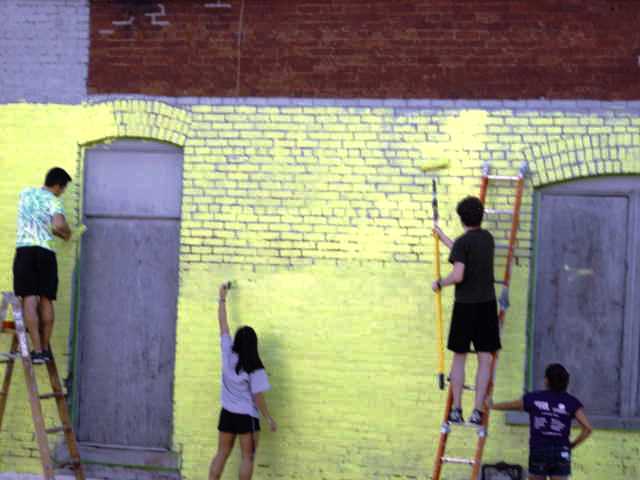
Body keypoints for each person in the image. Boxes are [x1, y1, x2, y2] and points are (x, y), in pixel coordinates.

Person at [432, 195, 499, 425]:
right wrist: (444, 239)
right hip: (487, 306)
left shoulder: (463, 243)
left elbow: (459, 273)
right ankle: (478, 411)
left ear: (461, 219)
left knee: (459, 358)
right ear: (481, 216)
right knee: (485, 359)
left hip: (466, 307)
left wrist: (440, 282)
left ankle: (457, 410)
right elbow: (464, 252)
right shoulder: (488, 239)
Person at [209, 282, 277, 480]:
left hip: (227, 413)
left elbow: (223, 324)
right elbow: (258, 397)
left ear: (237, 341)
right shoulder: (255, 366)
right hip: (246, 416)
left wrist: (222, 298)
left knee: (222, 453)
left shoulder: (227, 353)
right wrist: (268, 418)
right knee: (247, 457)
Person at [12, 167, 72, 364]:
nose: (61, 193)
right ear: (57, 185)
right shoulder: (54, 201)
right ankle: (45, 350)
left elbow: (38, 222)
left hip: (25, 250)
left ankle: (36, 349)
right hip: (45, 252)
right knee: (46, 299)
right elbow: (57, 225)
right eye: (62, 189)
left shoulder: (26, 193)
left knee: (29, 297)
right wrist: (68, 233)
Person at [491, 364, 592, 480]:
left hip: (539, 449)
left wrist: (492, 406)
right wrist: (571, 445)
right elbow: (587, 429)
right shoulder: (572, 402)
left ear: (546, 380)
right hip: (561, 451)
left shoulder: (534, 398)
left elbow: (511, 405)